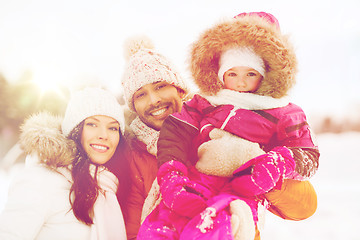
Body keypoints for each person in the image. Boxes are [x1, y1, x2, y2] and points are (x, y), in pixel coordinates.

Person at [138, 12, 320, 240]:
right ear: (221, 74)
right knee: (165, 223)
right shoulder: (205, 102)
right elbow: (175, 135)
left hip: (244, 185)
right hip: (199, 178)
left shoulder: (283, 111)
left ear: (266, 75)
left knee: (223, 226)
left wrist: (277, 165)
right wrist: (172, 176)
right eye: (232, 73)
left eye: (250, 74)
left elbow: (307, 155)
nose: (240, 82)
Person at [0, 87, 128, 240]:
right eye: (92, 124)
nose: (104, 135)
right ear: (74, 130)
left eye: (113, 128)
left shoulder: (109, 186)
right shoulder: (41, 180)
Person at [119, 35, 190, 240]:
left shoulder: (213, 128)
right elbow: (132, 230)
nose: (154, 100)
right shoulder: (133, 155)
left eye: (160, 86)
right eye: (141, 95)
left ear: (179, 88)